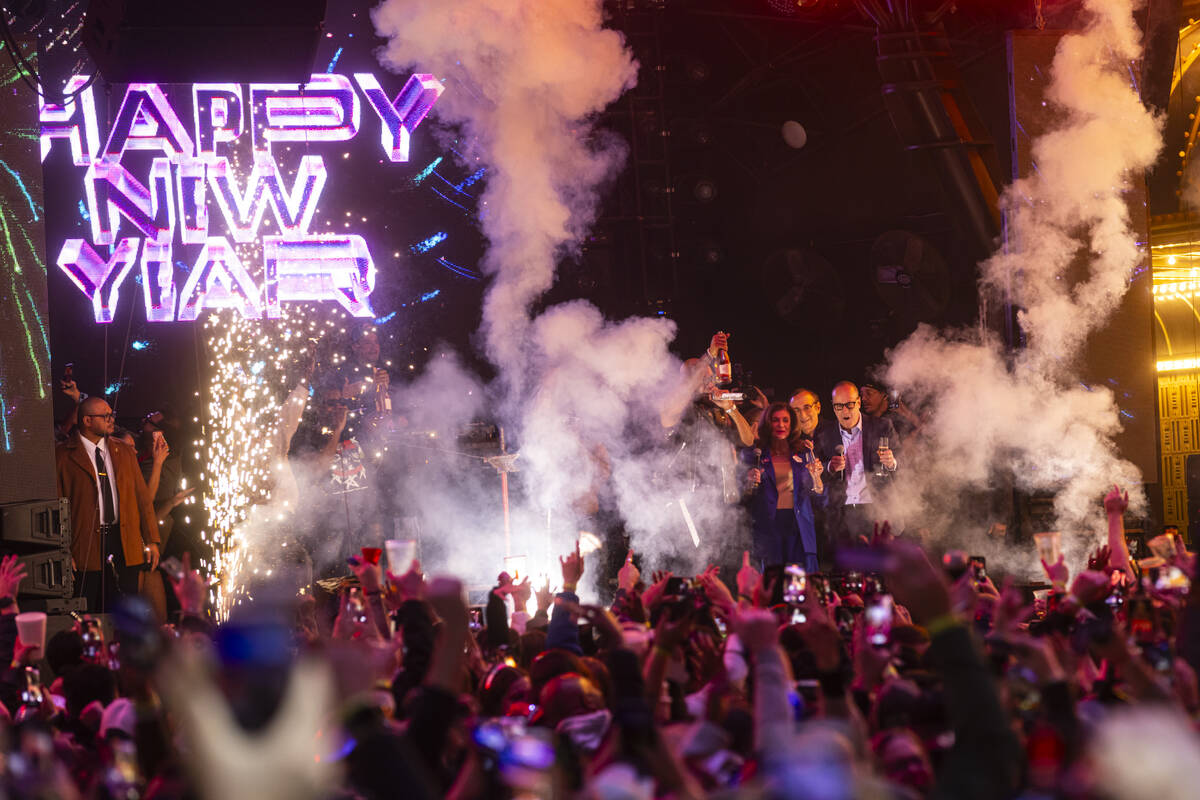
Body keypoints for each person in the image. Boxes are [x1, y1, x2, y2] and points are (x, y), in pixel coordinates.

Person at [55, 396, 160, 612]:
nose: (112, 420)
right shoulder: (62, 456)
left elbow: (142, 498)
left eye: (111, 415)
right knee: (89, 609)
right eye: (105, 416)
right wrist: (62, 551)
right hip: (85, 544)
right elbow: (56, 507)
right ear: (87, 421)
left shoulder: (124, 451)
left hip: (123, 540)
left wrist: (152, 540)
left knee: (126, 610)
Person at [816, 381, 900, 547]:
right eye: (839, 406)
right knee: (848, 569)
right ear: (833, 407)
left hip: (877, 510)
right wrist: (829, 467)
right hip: (842, 513)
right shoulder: (824, 433)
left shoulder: (882, 426)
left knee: (881, 568)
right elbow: (816, 475)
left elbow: (902, 461)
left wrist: (892, 463)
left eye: (849, 404)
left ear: (859, 403)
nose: (845, 410)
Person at [744, 402, 825, 571]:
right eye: (775, 420)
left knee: (800, 586)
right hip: (769, 526)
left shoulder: (803, 452)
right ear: (767, 423)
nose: (781, 425)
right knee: (773, 585)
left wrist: (816, 478)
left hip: (798, 526)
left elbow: (818, 493)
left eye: (785, 420)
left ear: (792, 423)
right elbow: (744, 495)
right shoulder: (757, 453)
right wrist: (748, 481)